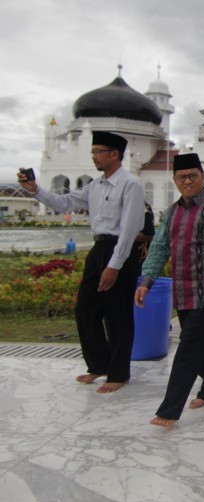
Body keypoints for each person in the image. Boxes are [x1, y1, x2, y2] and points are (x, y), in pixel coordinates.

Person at [18, 131, 144, 393]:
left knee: (117, 314)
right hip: (99, 248)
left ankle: (119, 373)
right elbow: (64, 203)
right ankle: (99, 364)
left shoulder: (131, 184)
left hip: (120, 250)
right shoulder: (95, 186)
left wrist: (114, 265)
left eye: (98, 151)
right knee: (86, 309)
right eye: (93, 152)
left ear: (114, 154)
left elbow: (131, 227)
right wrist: (35, 190)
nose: (94, 156)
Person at [136, 153, 204, 427]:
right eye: (182, 177)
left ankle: (170, 409)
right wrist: (146, 280)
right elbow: (159, 247)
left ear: (202, 177)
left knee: (188, 347)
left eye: (193, 176)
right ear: (175, 180)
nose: (188, 181)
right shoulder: (171, 213)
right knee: (202, 344)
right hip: (183, 291)